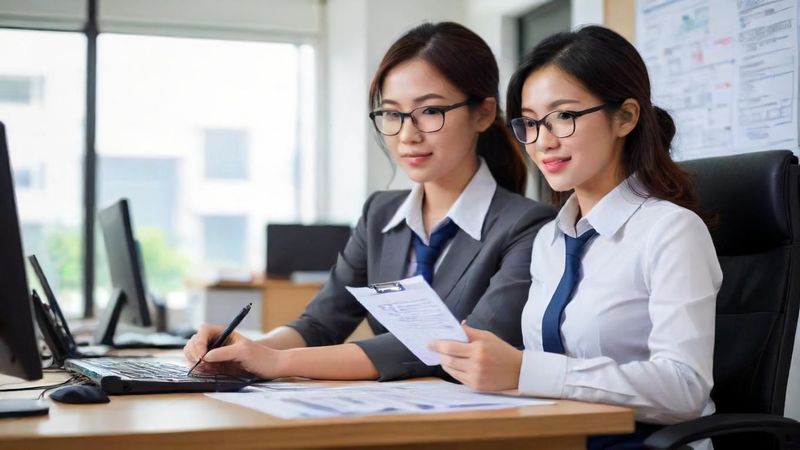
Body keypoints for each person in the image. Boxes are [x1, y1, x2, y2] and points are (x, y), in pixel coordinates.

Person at [184, 22, 555, 382]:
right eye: (392, 113)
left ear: (483, 113)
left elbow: (455, 347)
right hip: (385, 418)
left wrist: (276, 362)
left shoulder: (528, 226)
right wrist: (246, 349)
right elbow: (321, 323)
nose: (408, 134)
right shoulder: (380, 214)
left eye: (430, 111)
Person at [429, 25, 722, 449]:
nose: (543, 142)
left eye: (563, 116)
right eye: (529, 123)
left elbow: (685, 389)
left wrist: (524, 370)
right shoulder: (550, 238)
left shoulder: (671, 231)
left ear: (625, 117)